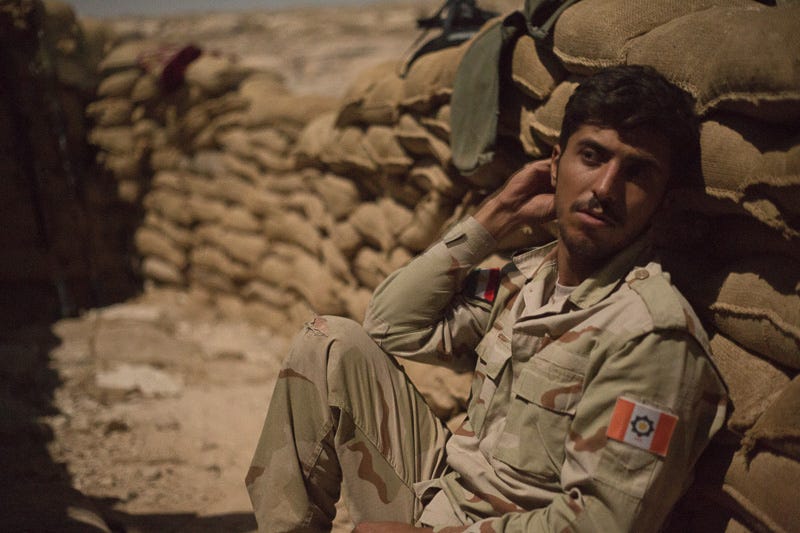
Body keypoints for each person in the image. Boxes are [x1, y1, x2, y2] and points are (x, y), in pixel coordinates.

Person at [246, 65, 728, 532]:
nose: (605, 188)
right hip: (441, 496)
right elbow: (391, 325)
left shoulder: (650, 337)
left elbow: (605, 523)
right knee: (329, 343)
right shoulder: (528, 278)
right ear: (556, 164)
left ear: (663, 203)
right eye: (592, 156)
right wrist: (494, 217)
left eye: (638, 173)